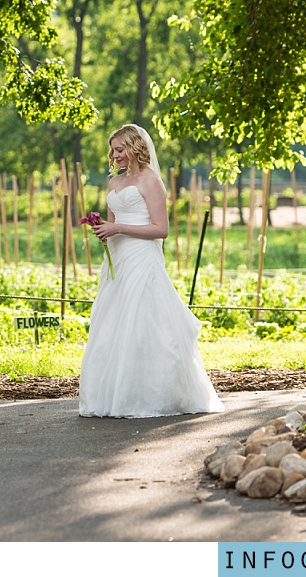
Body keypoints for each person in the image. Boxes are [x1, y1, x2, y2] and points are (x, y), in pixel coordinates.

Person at [79, 124, 225, 418]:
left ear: (134, 147)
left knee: (143, 321)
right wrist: (104, 231)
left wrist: (118, 227)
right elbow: (113, 222)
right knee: (113, 322)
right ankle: (110, 395)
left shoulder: (151, 182)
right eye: (113, 150)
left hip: (142, 259)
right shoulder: (113, 183)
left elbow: (161, 230)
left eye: (119, 149)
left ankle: (151, 395)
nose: (114, 155)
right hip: (118, 261)